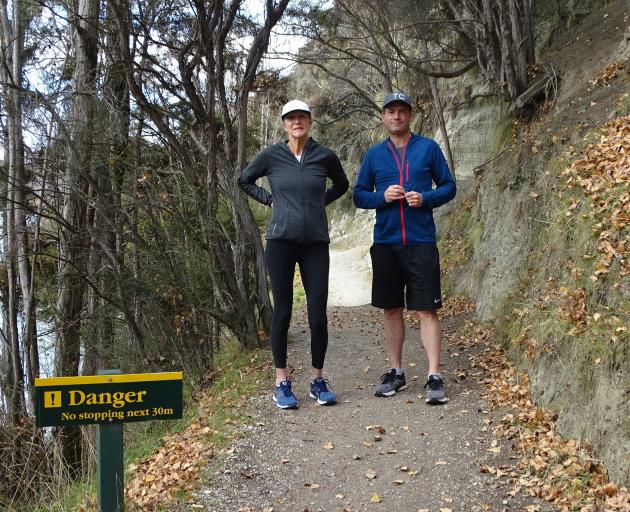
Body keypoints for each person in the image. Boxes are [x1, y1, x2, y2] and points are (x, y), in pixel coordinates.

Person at [238, 100, 349, 409]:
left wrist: (318, 204)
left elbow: (342, 185)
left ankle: (317, 379)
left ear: (310, 121)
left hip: (315, 242)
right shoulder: (272, 155)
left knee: (317, 315)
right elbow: (244, 180)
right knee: (283, 312)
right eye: (291, 118)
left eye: (302, 117)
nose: (296, 122)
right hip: (280, 242)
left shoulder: (324, 155)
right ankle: (281, 382)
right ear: (284, 123)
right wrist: (270, 200)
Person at [353, 92, 456, 405]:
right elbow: (359, 195)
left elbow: (449, 186)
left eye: (402, 111)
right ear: (383, 118)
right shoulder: (374, 155)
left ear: (410, 116)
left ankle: (434, 376)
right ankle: (395, 371)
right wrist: (381, 197)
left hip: (421, 241)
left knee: (427, 308)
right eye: (390, 111)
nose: (396, 116)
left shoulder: (428, 148)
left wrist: (425, 198)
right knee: (392, 308)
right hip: (385, 243)